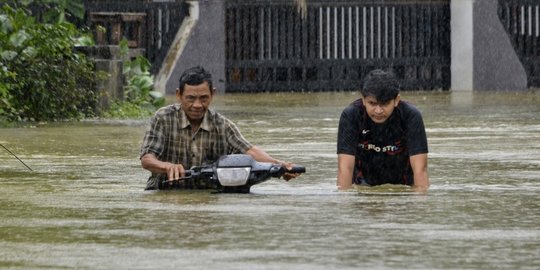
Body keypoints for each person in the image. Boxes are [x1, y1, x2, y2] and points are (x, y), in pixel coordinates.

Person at [139, 66, 299, 190]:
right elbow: (147, 159)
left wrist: (280, 165)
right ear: (179, 95)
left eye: (203, 98)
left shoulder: (222, 125)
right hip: (164, 192)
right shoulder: (163, 118)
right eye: (190, 98)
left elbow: (249, 151)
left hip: (207, 196)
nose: (197, 105)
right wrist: (167, 166)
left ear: (213, 94)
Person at [336, 69, 429, 193]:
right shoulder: (351, 115)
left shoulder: (410, 116)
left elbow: (420, 169)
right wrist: (344, 204)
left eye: (384, 104)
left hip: (403, 186)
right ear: (363, 100)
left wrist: (420, 204)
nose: (378, 111)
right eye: (372, 103)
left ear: (396, 100)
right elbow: (345, 168)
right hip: (363, 185)